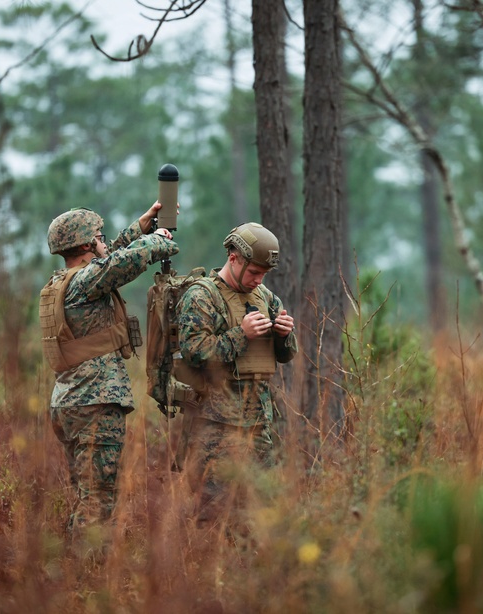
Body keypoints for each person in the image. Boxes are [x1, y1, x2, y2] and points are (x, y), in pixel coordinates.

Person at [41, 203, 177, 533]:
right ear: (87, 245)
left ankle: (77, 568)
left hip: (72, 402)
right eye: (100, 237)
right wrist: (157, 241)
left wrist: (140, 227)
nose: (105, 242)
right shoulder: (86, 282)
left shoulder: (64, 281)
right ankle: (88, 573)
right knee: (98, 499)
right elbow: (119, 264)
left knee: (87, 492)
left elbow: (108, 260)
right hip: (95, 403)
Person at [175, 222, 297, 527]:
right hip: (216, 424)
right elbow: (194, 353)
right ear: (234, 258)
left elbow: (285, 355)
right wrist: (240, 335)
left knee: (259, 507)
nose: (259, 280)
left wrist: (284, 335)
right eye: (254, 272)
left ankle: (248, 570)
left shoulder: (266, 297)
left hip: (257, 423)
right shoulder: (202, 297)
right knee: (214, 510)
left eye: (263, 274)